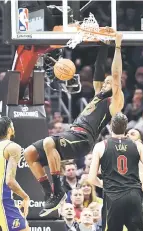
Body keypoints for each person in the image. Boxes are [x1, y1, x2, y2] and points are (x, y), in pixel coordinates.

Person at [24, 33, 125, 216]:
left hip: (83, 139)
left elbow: (116, 74)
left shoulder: (115, 101)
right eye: (105, 82)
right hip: (72, 133)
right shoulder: (98, 94)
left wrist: (117, 46)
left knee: (48, 143)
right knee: (29, 153)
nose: (104, 84)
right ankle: (49, 194)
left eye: (108, 83)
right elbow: (98, 68)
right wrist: (103, 44)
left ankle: (59, 189)